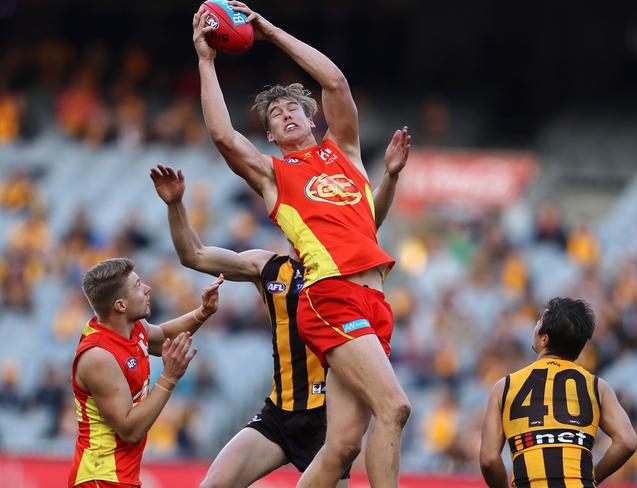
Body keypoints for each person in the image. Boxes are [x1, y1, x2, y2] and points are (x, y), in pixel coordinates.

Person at [193, 3, 411, 486]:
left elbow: (335, 84)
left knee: (341, 446)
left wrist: (269, 31)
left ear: (312, 121)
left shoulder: (346, 153)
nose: (286, 113)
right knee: (394, 406)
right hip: (330, 292)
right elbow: (224, 137)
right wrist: (207, 62)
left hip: (373, 297)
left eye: (294, 108)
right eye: (276, 113)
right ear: (270, 135)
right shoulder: (275, 175)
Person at [150, 127, 410, 488]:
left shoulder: (344, 271)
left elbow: (369, 221)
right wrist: (177, 205)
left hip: (329, 416)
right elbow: (193, 255)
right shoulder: (267, 266)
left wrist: (390, 177)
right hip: (281, 409)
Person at [68, 258, 224, 488]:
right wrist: (169, 378)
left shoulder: (131, 327)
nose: (148, 288)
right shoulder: (98, 357)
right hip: (100, 478)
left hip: (120, 476)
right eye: (138, 285)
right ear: (121, 305)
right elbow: (130, 431)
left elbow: (162, 337)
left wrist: (202, 312)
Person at [480, 297, 637, 487]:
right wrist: (592, 478)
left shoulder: (505, 387)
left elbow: (489, 459)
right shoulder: (597, 387)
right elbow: (627, 441)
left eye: (538, 323)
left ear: (544, 338)